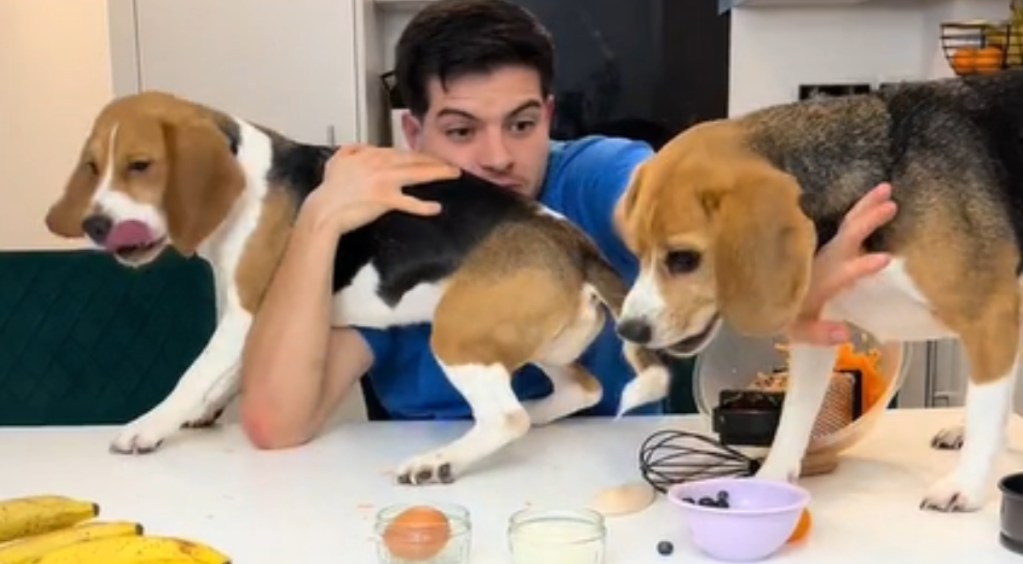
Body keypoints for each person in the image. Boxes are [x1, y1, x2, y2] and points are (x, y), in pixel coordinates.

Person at [238, 0, 898, 449]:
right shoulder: (390, 227)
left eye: (522, 125)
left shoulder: (590, 174)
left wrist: (795, 275)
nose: (498, 157)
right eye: (462, 130)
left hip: (614, 500)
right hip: (450, 495)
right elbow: (275, 423)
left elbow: (666, 210)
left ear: (549, 116)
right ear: (413, 132)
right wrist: (319, 220)